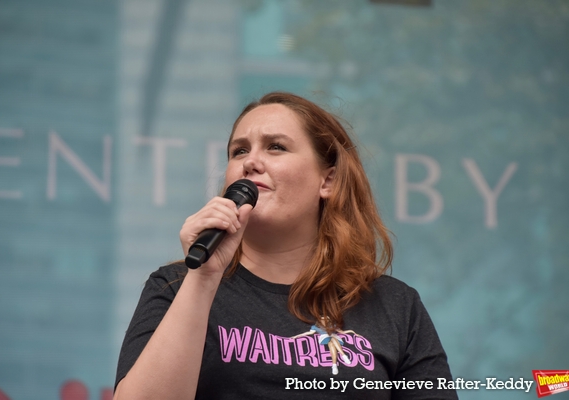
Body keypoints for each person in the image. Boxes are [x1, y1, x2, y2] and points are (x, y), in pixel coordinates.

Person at [114, 92, 458, 399]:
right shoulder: (176, 286)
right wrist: (203, 278)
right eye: (239, 151)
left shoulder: (394, 306)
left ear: (328, 180)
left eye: (275, 146)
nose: (250, 161)